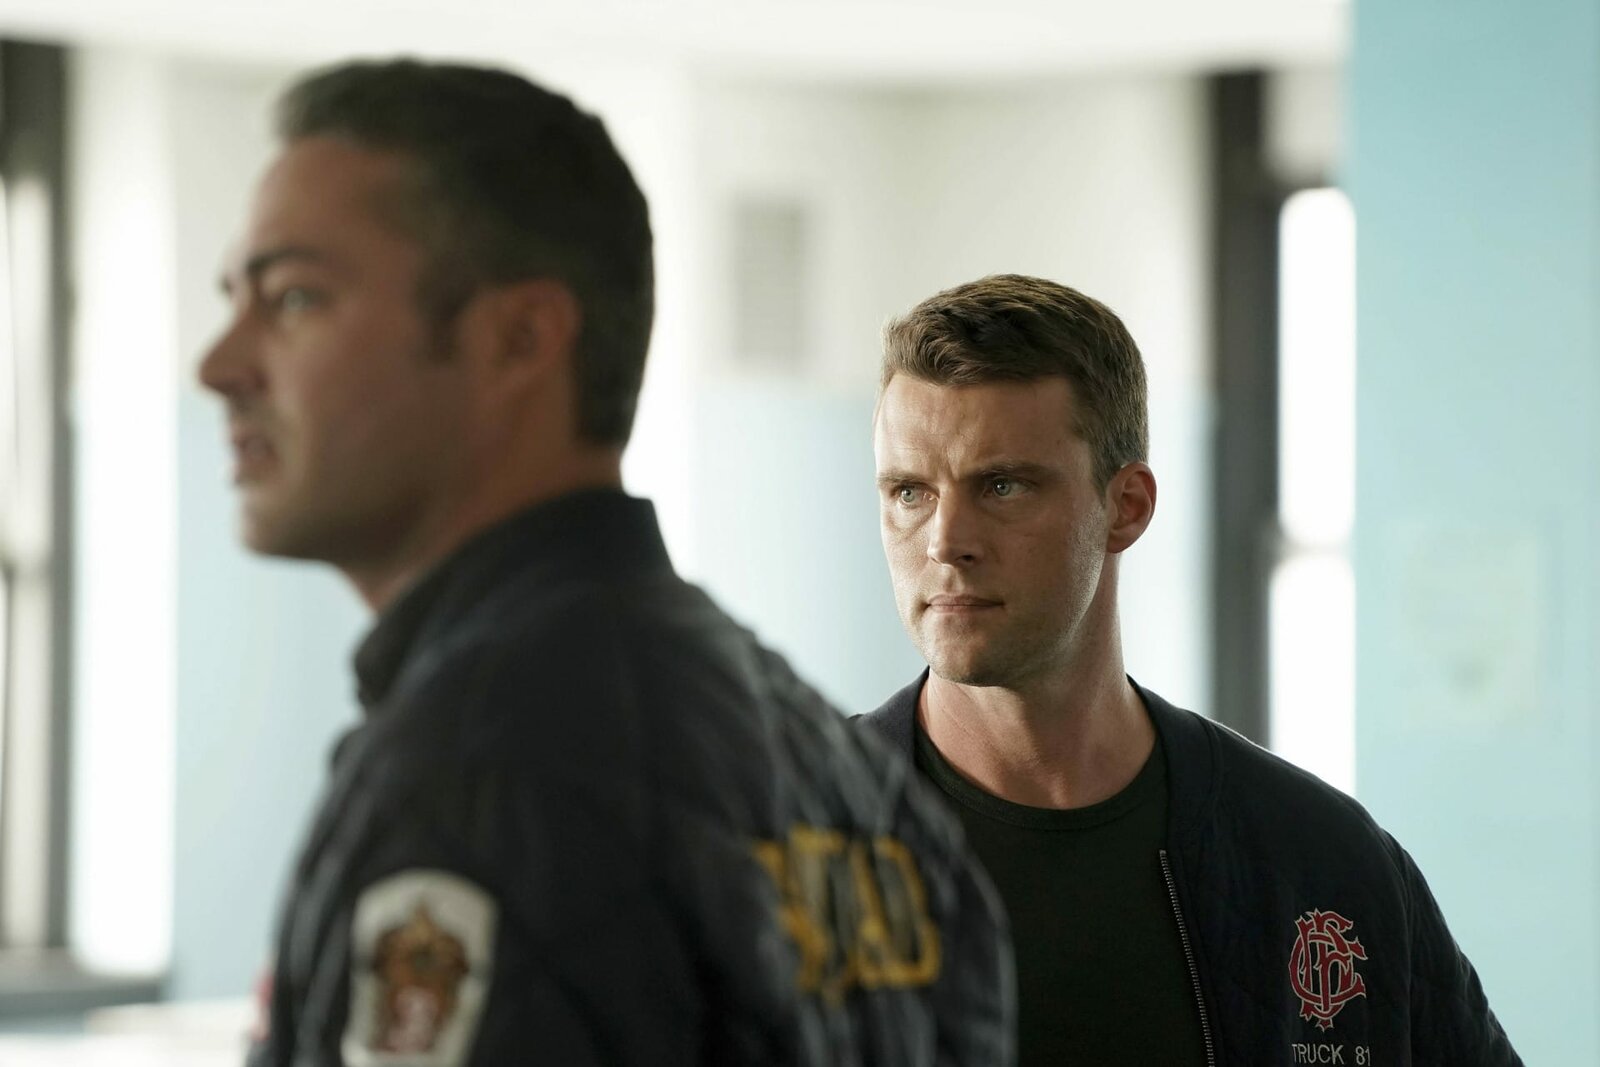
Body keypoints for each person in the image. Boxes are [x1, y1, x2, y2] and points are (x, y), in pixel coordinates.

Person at [199, 59, 1012, 1067]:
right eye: (235, 299)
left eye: (294, 298)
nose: (218, 365)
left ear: (518, 339)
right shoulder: (849, 781)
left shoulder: (480, 767)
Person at [859, 273, 1522, 1066]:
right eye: (910, 492)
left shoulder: (1323, 862)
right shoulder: (779, 846)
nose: (944, 541)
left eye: (1002, 485)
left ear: (1127, 506)